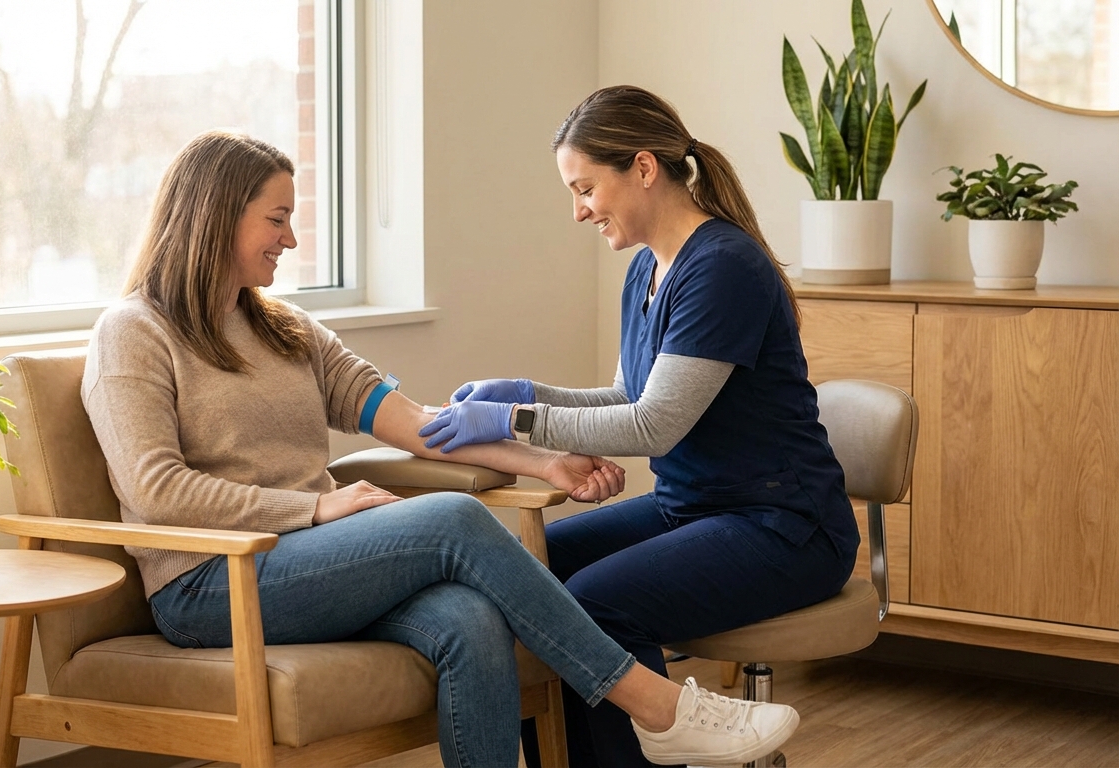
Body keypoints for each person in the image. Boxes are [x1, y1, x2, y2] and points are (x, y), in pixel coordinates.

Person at [83, 129, 802, 768]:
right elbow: (156, 490)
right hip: (212, 583)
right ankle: (658, 707)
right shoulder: (134, 332)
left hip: (308, 566)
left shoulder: (283, 329)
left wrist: (543, 461)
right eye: (277, 219)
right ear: (213, 217)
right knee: (451, 520)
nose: (291, 240)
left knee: (472, 622)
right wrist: (313, 510)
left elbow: (422, 423)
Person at [420, 86, 860, 767]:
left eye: (586, 187)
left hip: (786, 527)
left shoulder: (722, 267)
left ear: (645, 169)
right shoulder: (647, 269)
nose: (578, 211)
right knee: (523, 573)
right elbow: (630, 396)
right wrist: (528, 391)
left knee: (593, 604)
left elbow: (653, 426)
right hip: (693, 510)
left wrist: (513, 418)